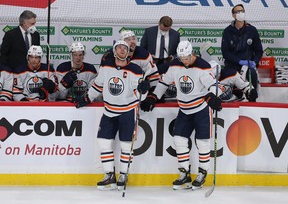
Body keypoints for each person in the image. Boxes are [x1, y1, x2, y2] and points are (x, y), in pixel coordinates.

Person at [140, 41, 222, 190]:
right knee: (179, 139)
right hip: (184, 110)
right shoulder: (175, 64)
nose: (184, 60)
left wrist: (214, 96)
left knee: (202, 142)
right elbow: (164, 82)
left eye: (186, 57)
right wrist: (153, 97)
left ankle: (203, 173)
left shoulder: (202, 66)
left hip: (201, 110)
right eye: (181, 57)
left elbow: (214, 86)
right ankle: (184, 172)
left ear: (192, 54)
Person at [76, 40, 149, 190]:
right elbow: (98, 85)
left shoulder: (135, 69)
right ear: (114, 51)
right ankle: (109, 175)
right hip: (109, 111)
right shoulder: (106, 67)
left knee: (126, 144)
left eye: (125, 48)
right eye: (119, 47)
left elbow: (140, 94)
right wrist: (87, 98)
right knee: (103, 142)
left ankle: (123, 174)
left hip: (127, 111)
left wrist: (144, 89)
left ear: (128, 52)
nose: (122, 50)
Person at [221, 4, 263, 95]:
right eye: (238, 12)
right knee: (231, 90)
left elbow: (259, 50)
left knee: (252, 74)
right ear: (233, 15)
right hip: (232, 65)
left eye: (242, 11)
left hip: (248, 66)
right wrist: (239, 61)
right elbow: (225, 53)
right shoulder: (227, 31)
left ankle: (252, 99)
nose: (241, 13)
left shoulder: (252, 30)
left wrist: (255, 62)